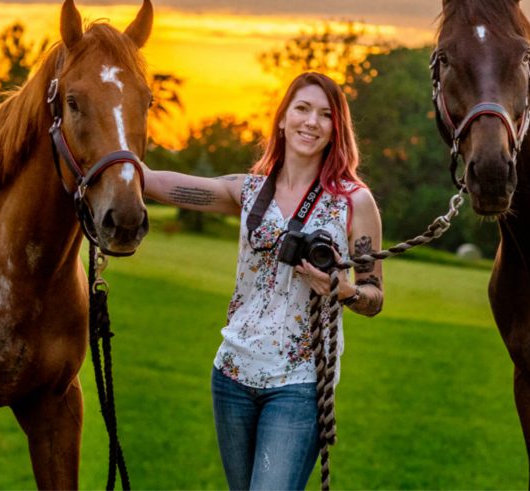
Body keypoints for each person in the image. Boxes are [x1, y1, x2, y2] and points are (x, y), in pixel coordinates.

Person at [140, 71, 383, 491]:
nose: (311, 122)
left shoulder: (353, 200)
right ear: (282, 119)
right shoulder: (249, 191)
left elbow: (374, 296)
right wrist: (119, 163)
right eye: (302, 109)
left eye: (325, 115)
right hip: (232, 372)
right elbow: (164, 184)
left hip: (298, 384)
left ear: (336, 130)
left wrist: (342, 291)